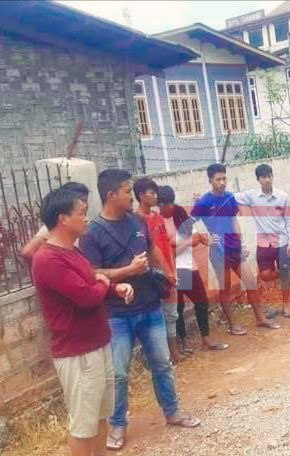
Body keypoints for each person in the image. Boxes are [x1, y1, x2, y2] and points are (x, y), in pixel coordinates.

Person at [81, 169, 200, 452]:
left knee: (162, 363)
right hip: (117, 314)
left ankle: (172, 412)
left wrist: (167, 271)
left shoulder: (138, 221)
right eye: (126, 191)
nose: (131, 196)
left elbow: (152, 249)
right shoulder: (92, 232)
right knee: (120, 374)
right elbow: (93, 274)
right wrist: (128, 270)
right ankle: (117, 424)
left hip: (150, 305)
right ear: (111, 195)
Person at [32, 187, 134, 456]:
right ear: (63, 219)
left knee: (100, 416)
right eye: (82, 213)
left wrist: (114, 288)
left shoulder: (73, 252)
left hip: (97, 344)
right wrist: (103, 283)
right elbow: (87, 297)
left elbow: (93, 284)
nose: (87, 218)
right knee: (82, 426)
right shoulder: (48, 259)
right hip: (77, 353)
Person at [192, 163, 280, 335]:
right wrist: (204, 239)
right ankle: (232, 325)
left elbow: (234, 221)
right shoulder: (204, 202)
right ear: (210, 180)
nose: (222, 182)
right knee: (225, 288)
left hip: (234, 248)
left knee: (251, 282)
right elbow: (189, 224)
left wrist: (242, 244)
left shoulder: (230, 197)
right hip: (218, 252)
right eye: (218, 179)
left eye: (224, 178)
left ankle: (260, 318)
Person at [157, 185, 229, 352]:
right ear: (159, 204)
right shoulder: (157, 222)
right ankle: (182, 341)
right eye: (165, 204)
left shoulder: (180, 213)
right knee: (178, 307)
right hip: (172, 270)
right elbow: (167, 252)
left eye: (171, 203)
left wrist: (181, 243)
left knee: (201, 302)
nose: (169, 207)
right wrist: (187, 242)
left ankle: (206, 338)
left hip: (189, 266)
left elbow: (195, 236)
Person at [236, 164, 290, 318]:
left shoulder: (282, 197)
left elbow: (289, 220)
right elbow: (229, 196)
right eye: (264, 177)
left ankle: (286, 306)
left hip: (282, 241)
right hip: (263, 243)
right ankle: (285, 273)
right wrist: (203, 198)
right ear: (259, 179)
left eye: (270, 176)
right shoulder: (252, 196)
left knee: (286, 274)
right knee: (264, 275)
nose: (268, 180)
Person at [133, 178, 183, 364]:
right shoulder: (136, 221)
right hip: (152, 274)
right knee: (156, 315)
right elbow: (149, 250)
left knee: (171, 313)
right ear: (140, 196)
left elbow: (166, 246)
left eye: (155, 193)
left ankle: (174, 352)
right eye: (151, 193)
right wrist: (166, 271)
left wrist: (172, 270)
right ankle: (162, 355)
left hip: (167, 269)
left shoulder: (158, 217)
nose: (156, 196)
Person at [21, 182, 90, 262]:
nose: (85, 204)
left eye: (86, 200)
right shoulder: (54, 228)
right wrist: (50, 263)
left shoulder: (79, 223)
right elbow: (27, 252)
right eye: (82, 200)